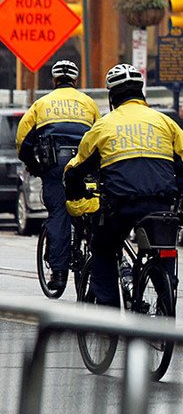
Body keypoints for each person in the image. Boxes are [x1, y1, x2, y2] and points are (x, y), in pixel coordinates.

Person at [64, 64, 183, 308]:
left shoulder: (103, 126)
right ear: (141, 92)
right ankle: (165, 296)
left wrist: (74, 195)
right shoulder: (165, 123)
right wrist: (181, 203)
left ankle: (109, 312)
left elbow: (76, 169)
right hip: (161, 204)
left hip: (120, 206)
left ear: (112, 96)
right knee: (162, 248)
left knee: (102, 248)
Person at [16, 60, 100, 290]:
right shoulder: (89, 103)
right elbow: (101, 135)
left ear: (54, 80)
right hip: (84, 164)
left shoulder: (41, 104)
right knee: (91, 210)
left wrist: (34, 166)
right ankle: (96, 263)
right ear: (75, 80)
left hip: (55, 164)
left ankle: (59, 273)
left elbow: (23, 141)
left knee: (59, 214)